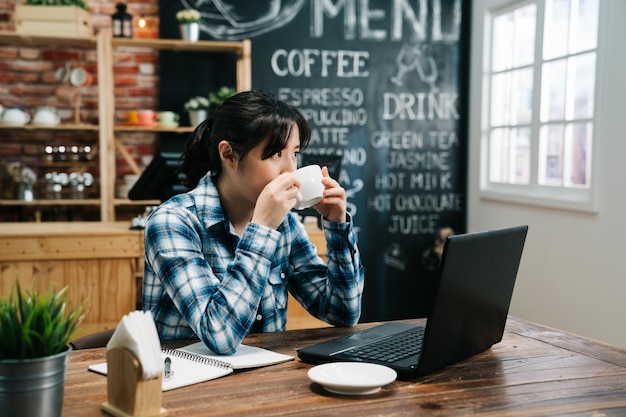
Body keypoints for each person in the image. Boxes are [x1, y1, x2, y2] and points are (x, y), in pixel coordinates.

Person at [143, 89, 364, 355]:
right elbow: (220, 336)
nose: (290, 170)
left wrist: (337, 227)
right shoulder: (173, 222)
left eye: (293, 154)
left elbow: (343, 313)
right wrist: (261, 231)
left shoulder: (286, 225)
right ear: (228, 154)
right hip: (185, 385)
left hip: (264, 383)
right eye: (275, 155)